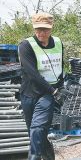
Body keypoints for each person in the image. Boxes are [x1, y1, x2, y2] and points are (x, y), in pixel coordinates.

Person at [18, 12, 70, 160]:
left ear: (51, 28)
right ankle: (48, 156)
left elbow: (59, 66)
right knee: (35, 132)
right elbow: (32, 73)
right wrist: (54, 91)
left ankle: (33, 157)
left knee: (38, 127)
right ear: (34, 28)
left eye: (45, 29)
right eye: (38, 29)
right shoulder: (26, 45)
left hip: (47, 94)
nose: (42, 33)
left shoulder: (58, 43)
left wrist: (60, 86)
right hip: (30, 93)